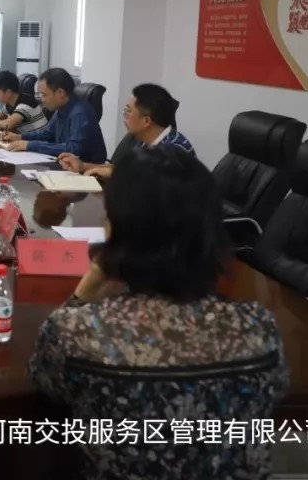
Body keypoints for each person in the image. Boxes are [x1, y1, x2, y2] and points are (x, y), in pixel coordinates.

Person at [28, 147, 288, 479]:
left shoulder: (78, 331)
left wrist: (83, 293)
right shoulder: (259, 328)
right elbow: (275, 393)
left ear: (117, 230)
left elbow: (44, 381)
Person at [60, 83, 194, 179]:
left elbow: (152, 183)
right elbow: (123, 168)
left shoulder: (175, 150)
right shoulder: (143, 140)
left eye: (128, 111)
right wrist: (82, 166)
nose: (125, 116)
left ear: (146, 121)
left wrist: (114, 174)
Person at [3, 68, 107, 163]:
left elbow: (73, 149)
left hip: (87, 170)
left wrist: (30, 145)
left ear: (60, 92)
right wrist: (20, 137)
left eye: (44, 95)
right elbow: (46, 134)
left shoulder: (80, 113)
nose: (42, 99)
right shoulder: (60, 110)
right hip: (64, 164)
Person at [0, 70, 48, 136]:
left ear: (8, 92)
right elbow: (0, 114)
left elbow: (8, 124)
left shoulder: (25, 104)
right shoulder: (10, 103)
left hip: (39, 142)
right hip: (27, 140)